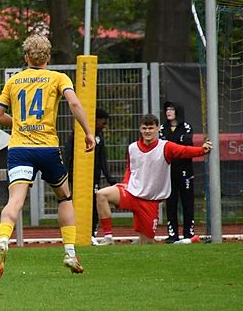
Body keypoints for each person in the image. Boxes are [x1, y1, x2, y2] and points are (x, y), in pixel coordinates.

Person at [0, 34, 95, 278]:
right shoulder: (59, 77)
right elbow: (74, 104)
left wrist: (19, 123)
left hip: (19, 149)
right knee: (64, 197)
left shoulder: (14, 81)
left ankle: (3, 240)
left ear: (26, 57)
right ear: (48, 57)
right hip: (47, 148)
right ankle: (70, 252)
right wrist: (88, 132)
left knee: (15, 201)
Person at [94, 114, 211, 244]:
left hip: (150, 200)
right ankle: (108, 237)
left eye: (150, 128)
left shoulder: (165, 147)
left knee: (147, 243)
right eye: (144, 128)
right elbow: (130, 168)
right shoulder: (132, 148)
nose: (147, 131)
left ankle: (144, 239)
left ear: (157, 129)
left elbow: (185, 151)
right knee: (101, 194)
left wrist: (203, 150)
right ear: (140, 129)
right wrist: (126, 182)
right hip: (131, 193)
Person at [65, 108, 117, 242]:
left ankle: (92, 233)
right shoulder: (77, 135)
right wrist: (65, 173)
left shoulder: (99, 137)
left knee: (94, 205)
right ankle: (76, 232)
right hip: (78, 177)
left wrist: (109, 178)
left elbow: (103, 159)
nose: (104, 126)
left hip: (94, 178)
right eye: (103, 123)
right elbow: (67, 155)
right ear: (95, 120)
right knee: (77, 204)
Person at [160, 101, 196, 243]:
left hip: (185, 171)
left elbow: (186, 143)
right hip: (169, 171)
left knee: (187, 202)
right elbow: (164, 146)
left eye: (172, 109)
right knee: (171, 203)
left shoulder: (186, 127)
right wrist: (176, 143)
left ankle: (189, 233)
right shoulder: (163, 128)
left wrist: (174, 144)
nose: (168, 112)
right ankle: (172, 234)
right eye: (167, 109)